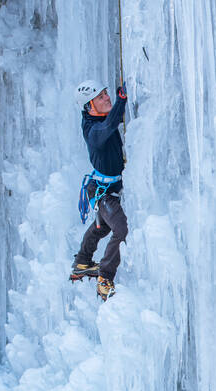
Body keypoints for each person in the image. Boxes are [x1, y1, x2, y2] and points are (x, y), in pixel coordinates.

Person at [71, 80, 128, 301]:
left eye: (106, 93)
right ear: (89, 106)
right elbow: (109, 127)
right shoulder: (94, 130)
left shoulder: (97, 119)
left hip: (105, 187)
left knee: (102, 226)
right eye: (101, 96)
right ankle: (105, 277)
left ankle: (82, 262)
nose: (107, 97)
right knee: (120, 228)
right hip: (103, 192)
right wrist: (121, 102)